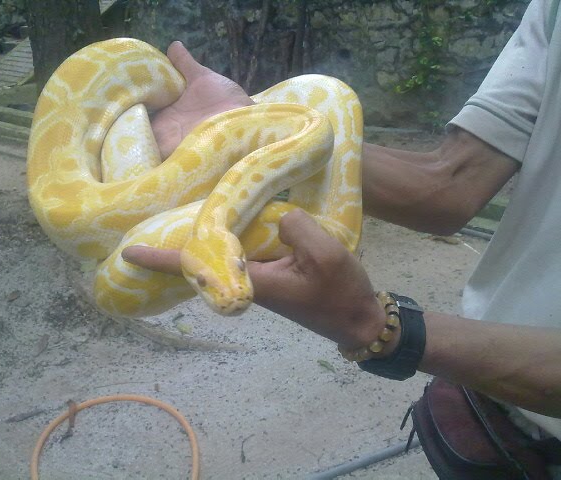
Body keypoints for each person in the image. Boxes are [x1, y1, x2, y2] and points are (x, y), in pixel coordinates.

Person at [123, 0, 561, 452]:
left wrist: (376, 325)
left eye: (229, 270)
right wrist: (242, 127)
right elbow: (451, 183)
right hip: (482, 402)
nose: (232, 294)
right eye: (205, 279)